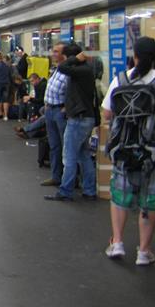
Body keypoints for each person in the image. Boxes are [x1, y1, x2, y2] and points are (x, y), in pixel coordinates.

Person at [102, 36, 155, 266]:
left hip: (124, 150)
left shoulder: (121, 79)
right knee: (149, 200)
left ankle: (117, 242)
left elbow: (107, 113)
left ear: (134, 56)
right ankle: (144, 251)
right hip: (154, 152)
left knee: (120, 196)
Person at [44, 43, 99, 201]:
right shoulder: (86, 70)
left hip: (78, 118)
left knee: (68, 156)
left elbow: (63, 68)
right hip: (85, 117)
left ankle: (65, 191)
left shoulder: (81, 70)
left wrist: (73, 58)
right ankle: (89, 190)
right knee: (83, 154)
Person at [41, 42, 69, 187]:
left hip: (60, 111)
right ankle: (55, 176)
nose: (53, 54)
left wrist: (65, 108)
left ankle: (68, 179)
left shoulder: (69, 71)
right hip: (50, 110)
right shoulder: (56, 69)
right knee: (54, 146)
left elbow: (72, 91)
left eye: (56, 52)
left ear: (64, 54)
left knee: (66, 147)